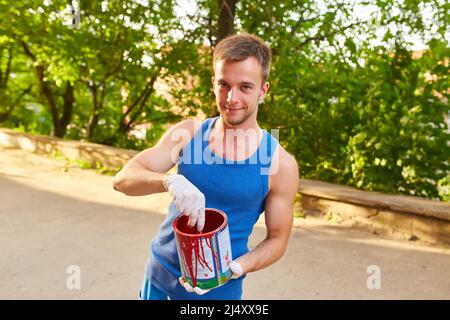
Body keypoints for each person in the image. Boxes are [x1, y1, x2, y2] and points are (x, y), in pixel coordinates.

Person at [113, 32, 299, 300]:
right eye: (224, 84)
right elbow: (123, 179)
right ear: (213, 83)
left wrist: (237, 267)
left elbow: (277, 240)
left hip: (219, 293)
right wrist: (169, 181)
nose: (231, 98)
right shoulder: (187, 133)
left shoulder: (279, 164)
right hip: (159, 279)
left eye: (245, 87)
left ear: (263, 91)